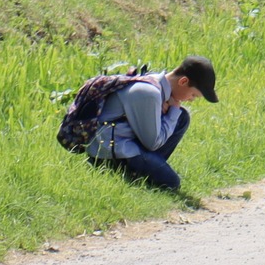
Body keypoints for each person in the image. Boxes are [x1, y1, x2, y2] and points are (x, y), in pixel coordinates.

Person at [88, 55, 219, 193]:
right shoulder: (150, 94)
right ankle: (133, 173)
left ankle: (146, 169)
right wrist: (173, 110)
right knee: (171, 182)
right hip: (111, 151)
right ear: (183, 81)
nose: (191, 100)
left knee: (182, 117)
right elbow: (153, 143)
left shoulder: (155, 82)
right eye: (193, 95)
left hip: (128, 141)